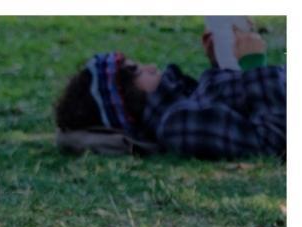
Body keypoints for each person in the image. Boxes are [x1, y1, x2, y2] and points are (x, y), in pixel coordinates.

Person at [54, 25, 286, 159]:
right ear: (125, 97)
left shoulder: (179, 100)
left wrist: (223, 61)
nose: (151, 67)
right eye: (136, 71)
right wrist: (254, 65)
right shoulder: (176, 124)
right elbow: (271, 140)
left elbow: (234, 107)